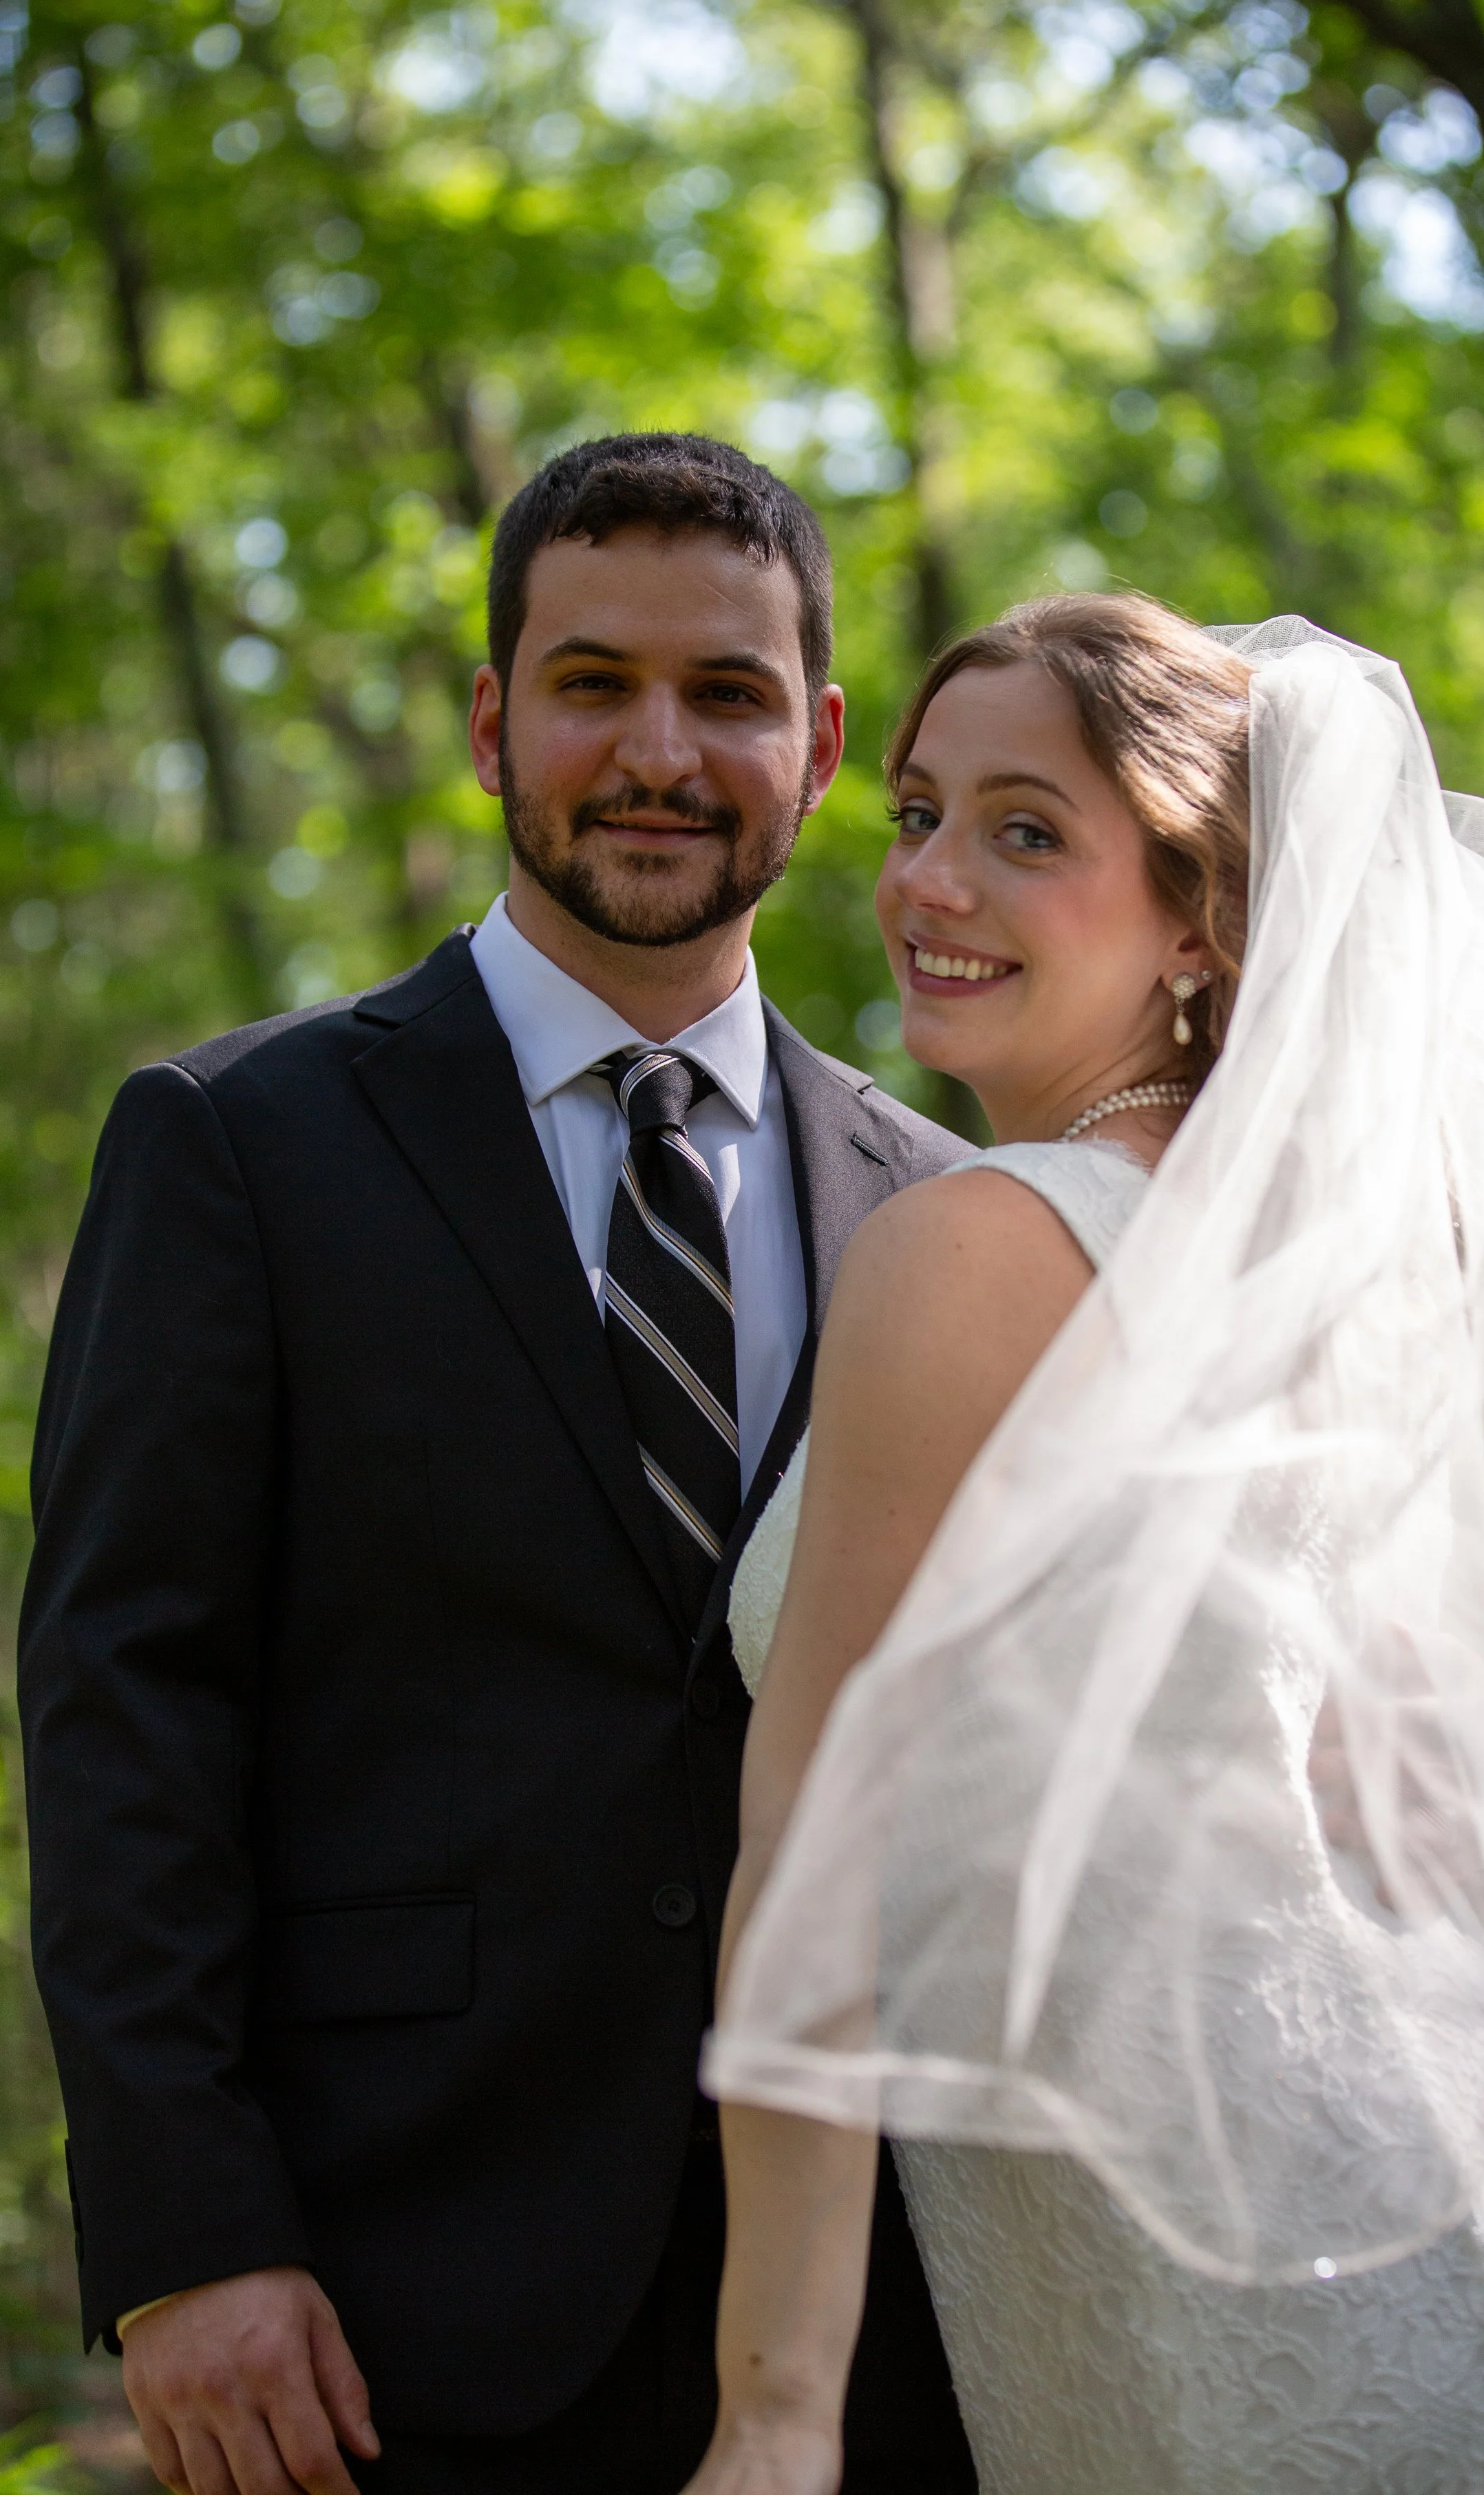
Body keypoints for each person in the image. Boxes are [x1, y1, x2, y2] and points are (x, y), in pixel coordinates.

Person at [18, 433, 977, 2495]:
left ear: (810, 746)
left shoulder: (945, 1205)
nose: (657, 748)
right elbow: (124, 1708)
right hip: (377, 2299)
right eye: (588, 682)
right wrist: (191, 2236)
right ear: (488, 722)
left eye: (724, 693)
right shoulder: (237, 1145)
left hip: (876, 2312)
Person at [681, 596, 1484, 2493]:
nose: (930, 879)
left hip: (1195, 2264)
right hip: (1446, 2182)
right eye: (917, 810)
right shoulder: (1330, 1259)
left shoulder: (971, 1242)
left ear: (1200, 922)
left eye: (1026, 830)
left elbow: (816, 1849)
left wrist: (773, 2407)